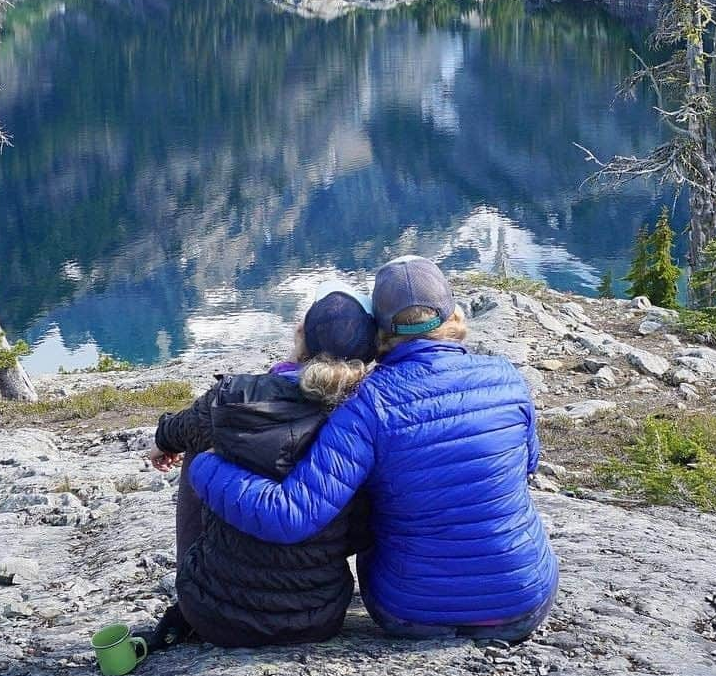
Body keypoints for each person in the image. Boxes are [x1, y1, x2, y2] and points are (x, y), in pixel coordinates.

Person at [190, 256, 558, 642]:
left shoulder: (367, 404)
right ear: (454, 316)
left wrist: (204, 466)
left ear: (379, 334)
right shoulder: (507, 379)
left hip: (412, 613)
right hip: (522, 602)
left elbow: (293, 514)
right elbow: (527, 464)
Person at [146, 281, 377, 649]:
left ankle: (192, 585)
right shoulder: (367, 410)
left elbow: (179, 429)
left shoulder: (236, 396)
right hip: (320, 616)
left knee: (199, 446)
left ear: (302, 336)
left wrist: (163, 442)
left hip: (215, 617)